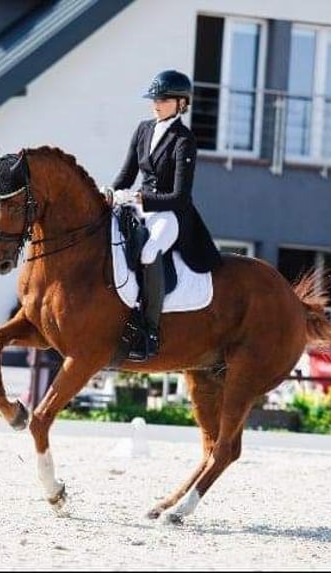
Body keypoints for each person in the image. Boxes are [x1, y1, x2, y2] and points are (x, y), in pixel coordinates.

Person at [101, 69, 222, 361]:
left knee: (148, 250)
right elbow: (126, 175)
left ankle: (149, 329)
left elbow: (181, 196)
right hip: (137, 205)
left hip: (170, 213)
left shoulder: (184, 140)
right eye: (155, 98)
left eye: (164, 99)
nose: (157, 103)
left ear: (181, 103)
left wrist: (143, 199)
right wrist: (109, 193)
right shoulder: (143, 129)